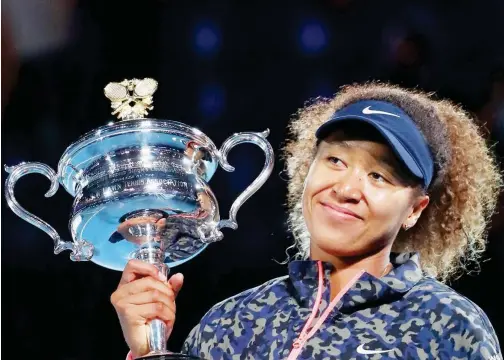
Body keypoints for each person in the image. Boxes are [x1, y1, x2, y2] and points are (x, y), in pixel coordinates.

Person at [111, 83, 503, 359]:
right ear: (307, 170)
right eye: (335, 160)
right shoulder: (229, 323)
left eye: (379, 176)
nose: (347, 188)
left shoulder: (451, 327)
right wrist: (149, 350)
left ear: (415, 210)